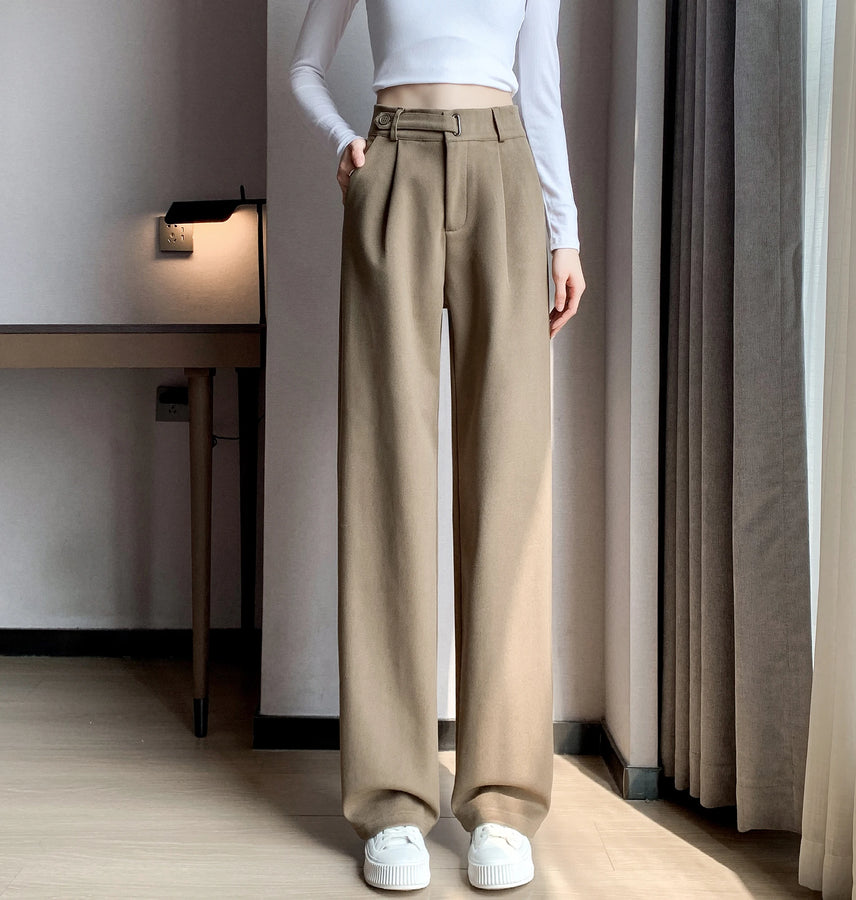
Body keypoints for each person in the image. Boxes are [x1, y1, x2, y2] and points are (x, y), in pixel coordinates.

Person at [288, 0, 585, 891]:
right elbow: (305, 66)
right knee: (387, 485)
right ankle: (391, 804)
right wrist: (348, 142)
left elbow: (540, 88)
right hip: (395, 165)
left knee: (509, 486)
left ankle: (498, 801)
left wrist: (564, 234)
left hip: (504, 169)